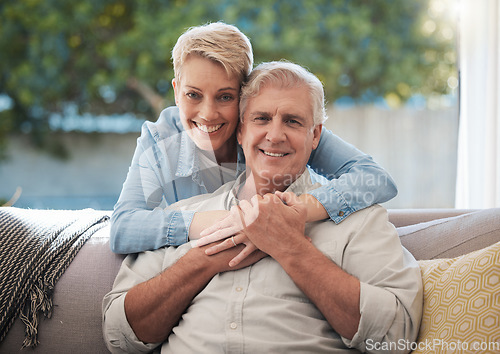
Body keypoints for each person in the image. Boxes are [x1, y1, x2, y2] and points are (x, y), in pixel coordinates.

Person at [103, 61, 422, 353]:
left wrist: (291, 248)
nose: (275, 134)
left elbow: (395, 336)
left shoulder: (360, 221)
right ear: (240, 130)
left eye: (293, 122)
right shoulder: (182, 215)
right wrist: (208, 256)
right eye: (261, 119)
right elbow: (119, 335)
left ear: (315, 136)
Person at [109, 22, 398, 256]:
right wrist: (237, 222)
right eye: (193, 95)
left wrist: (291, 213)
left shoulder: (271, 132)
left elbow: (374, 178)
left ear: (244, 96)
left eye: (225, 97)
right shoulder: (162, 137)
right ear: (176, 91)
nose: (208, 114)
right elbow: (123, 228)